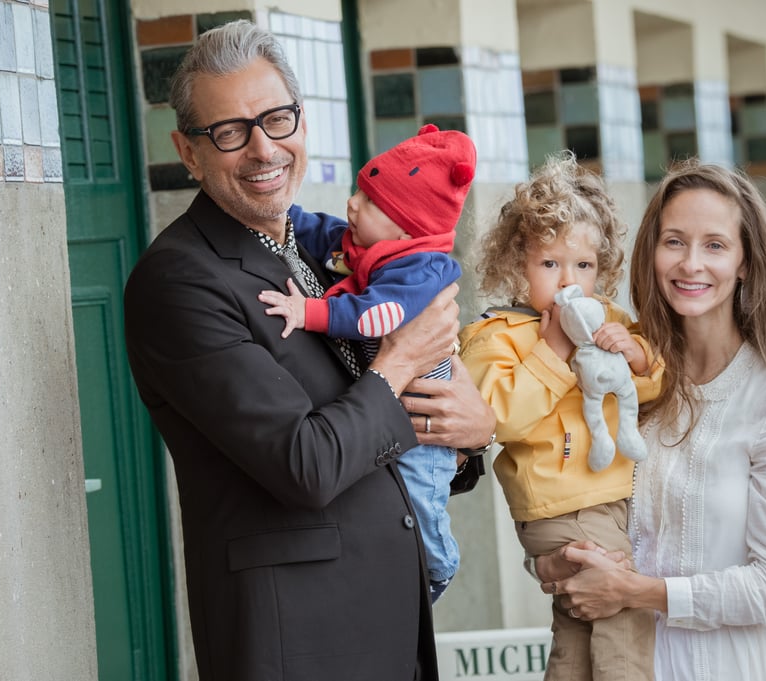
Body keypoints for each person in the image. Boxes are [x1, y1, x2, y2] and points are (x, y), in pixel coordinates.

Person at [123, 20, 496, 681]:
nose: (263, 148)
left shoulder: (320, 246)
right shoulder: (179, 281)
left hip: (389, 625)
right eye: (231, 131)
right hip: (298, 643)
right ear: (188, 151)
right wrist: (404, 359)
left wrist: (467, 433)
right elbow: (305, 463)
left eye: (277, 118)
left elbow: (377, 417)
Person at [536, 160, 766, 681]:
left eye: (715, 245)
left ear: (745, 262)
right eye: (674, 241)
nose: (691, 263)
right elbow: (566, 501)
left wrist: (637, 591)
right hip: (635, 665)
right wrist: (554, 565)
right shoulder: (624, 374)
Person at [459, 152, 664, 681]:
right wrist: (552, 352)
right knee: (624, 610)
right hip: (562, 506)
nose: (568, 280)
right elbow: (496, 418)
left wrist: (637, 355)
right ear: (513, 265)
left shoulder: (612, 321)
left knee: (576, 629)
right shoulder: (496, 335)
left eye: (584, 266)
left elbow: (656, 386)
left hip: (606, 499)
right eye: (549, 264)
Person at [257, 124, 477, 602]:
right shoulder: (373, 245)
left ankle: (437, 567)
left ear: (407, 226)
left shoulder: (421, 269)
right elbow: (317, 232)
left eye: (371, 201)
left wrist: (307, 311)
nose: (353, 204)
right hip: (391, 406)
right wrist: (278, 210)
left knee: (420, 497)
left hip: (423, 417)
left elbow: (372, 315)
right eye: (359, 189)